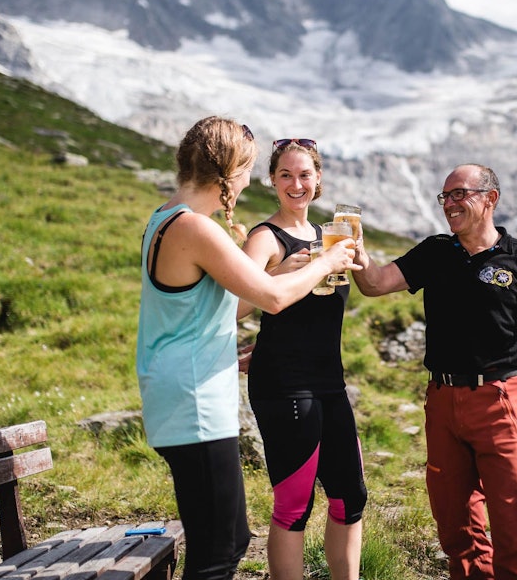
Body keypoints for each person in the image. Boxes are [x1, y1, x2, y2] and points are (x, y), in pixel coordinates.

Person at [136, 117, 358, 580]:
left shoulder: (164, 217)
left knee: (226, 541)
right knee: (220, 550)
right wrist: (330, 261)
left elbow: (195, 309)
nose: (245, 182)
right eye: (249, 170)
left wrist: (257, 349)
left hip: (180, 388)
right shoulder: (197, 228)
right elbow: (269, 297)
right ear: (228, 173)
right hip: (194, 398)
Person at [354, 163, 517, 580]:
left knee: (513, 528)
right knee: (456, 527)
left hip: (502, 400)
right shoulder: (435, 252)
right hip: (442, 401)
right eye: (445, 197)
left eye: (459, 194)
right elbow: (374, 284)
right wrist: (356, 254)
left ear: (490, 199)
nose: (450, 204)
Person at [238, 138, 367, 580]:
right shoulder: (265, 237)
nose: (297, 184)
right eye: (286, 175)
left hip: (329, 380)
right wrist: (278, 272)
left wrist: (358, 258)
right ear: (272, 180)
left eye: (305, 174)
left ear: (319, 180)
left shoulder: (330, 236)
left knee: (351, 497)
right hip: (283, 384)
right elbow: (233, 305)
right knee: (295, 504)